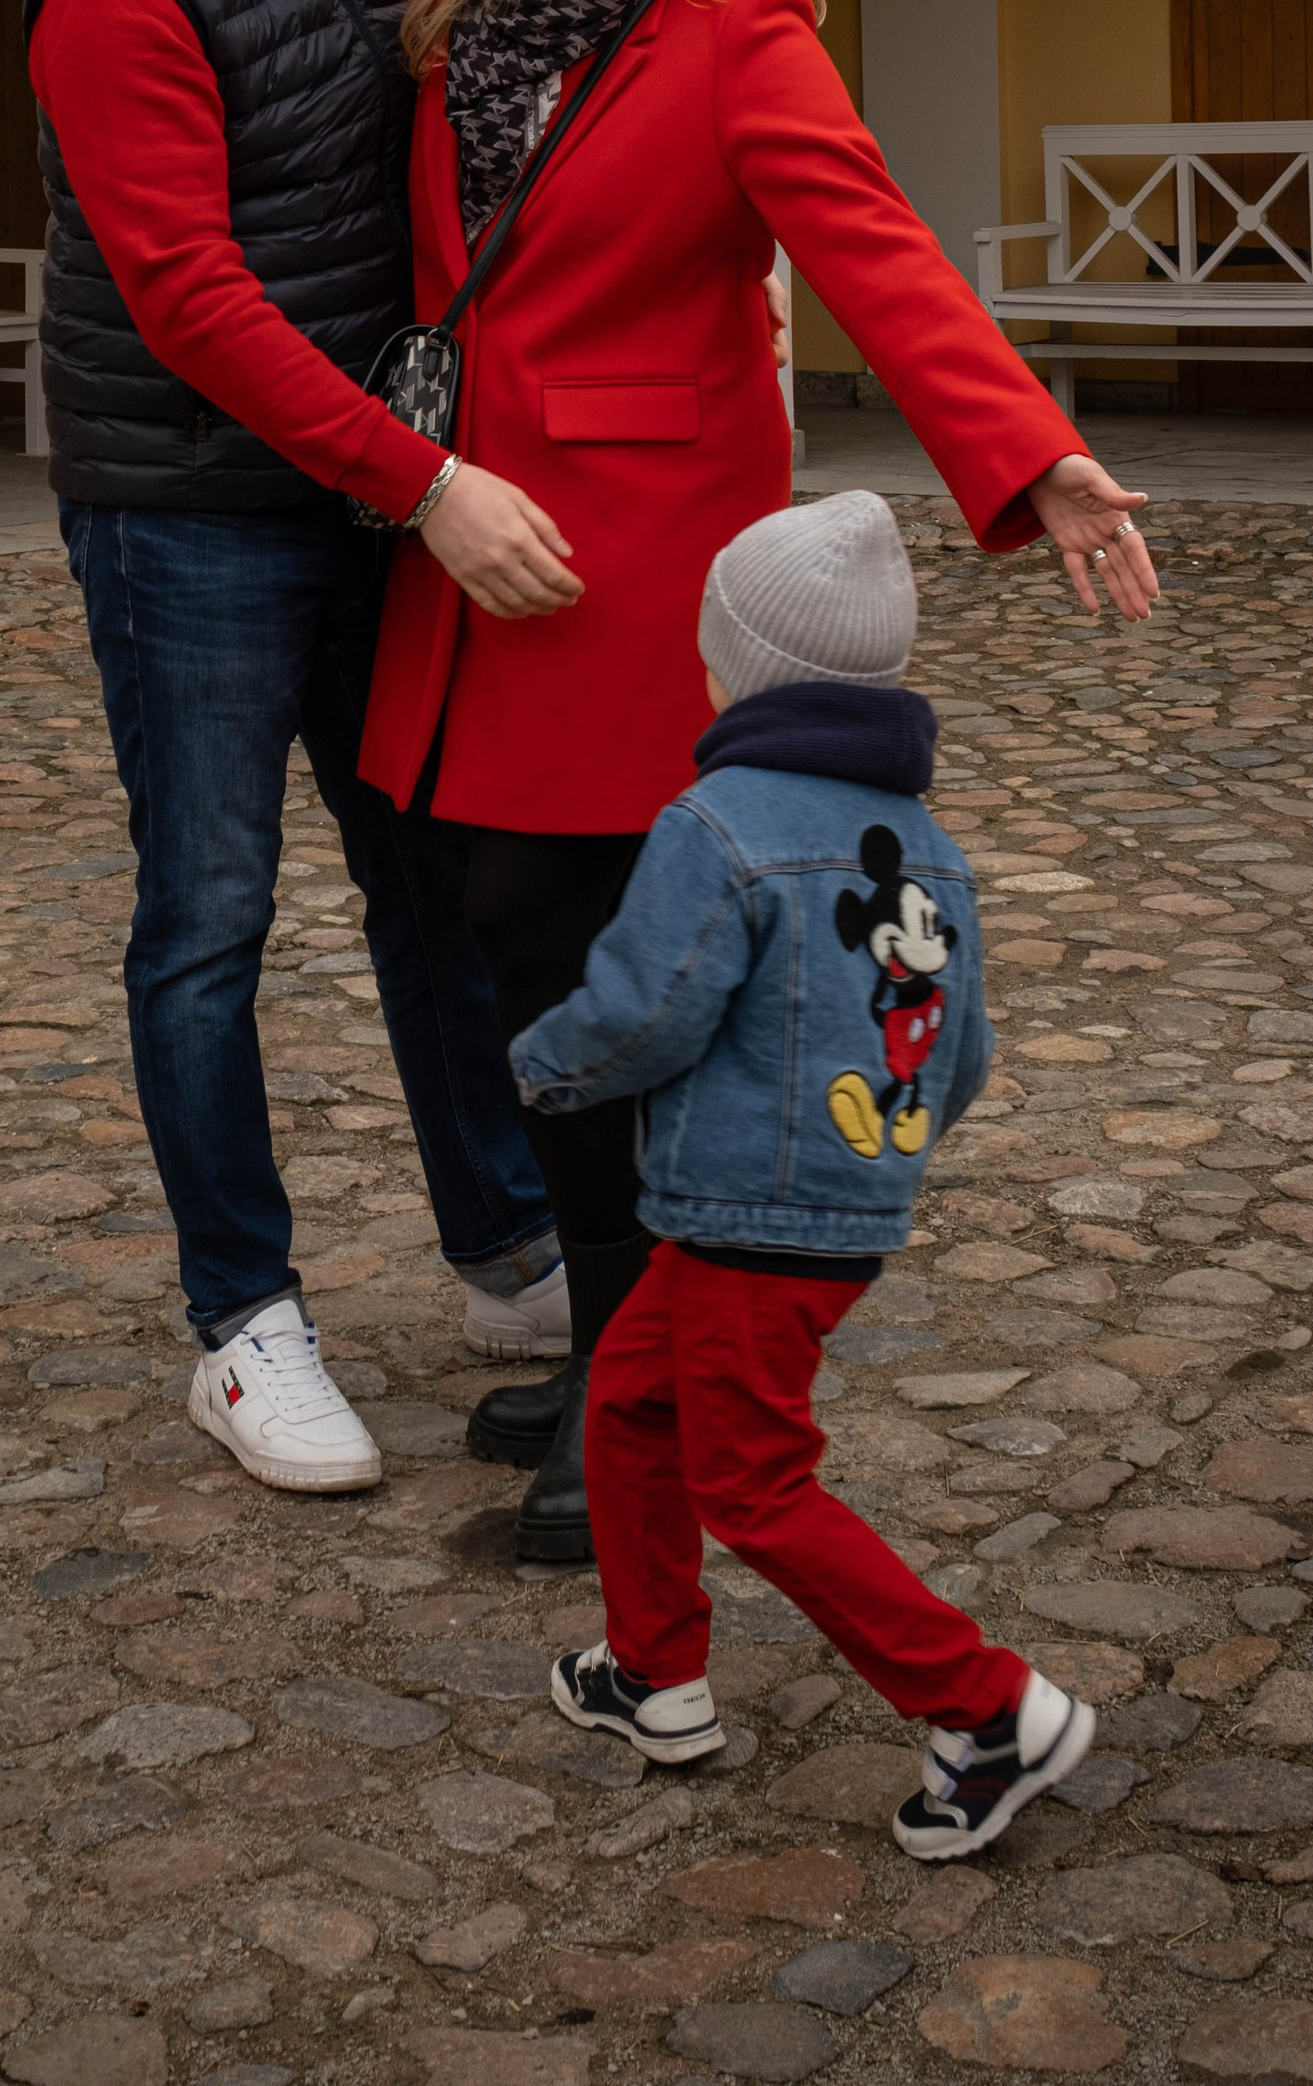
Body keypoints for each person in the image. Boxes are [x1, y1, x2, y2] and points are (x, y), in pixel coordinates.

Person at [359, 0, 1159, 1557]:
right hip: (476, 552)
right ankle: (601, 1353)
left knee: (589, 949)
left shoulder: (734, 24)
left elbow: (872, 245)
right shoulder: (449, 25)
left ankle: (624, 1414)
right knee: (501, 927)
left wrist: (1027, 457)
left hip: (637, 560)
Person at [24, 0, 588, 1496]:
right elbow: (188, 298)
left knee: (429, 873)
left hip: (364, 488)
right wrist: (424, 483)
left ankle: (507, 1251)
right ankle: (242, 1326)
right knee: (209, 920)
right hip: (188, 510)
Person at [511, 491, 1098, 1861]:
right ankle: (653, 1673)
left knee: (755, 1482)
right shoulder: (933, 852)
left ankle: (987, 1705)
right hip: (834, 1209)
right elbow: (965, 1050)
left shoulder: (716, 823)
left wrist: (542, 1067)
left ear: (734, 665)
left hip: (735, 1217)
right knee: (634, 1403)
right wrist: (874, 1159)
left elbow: (647, 1008)